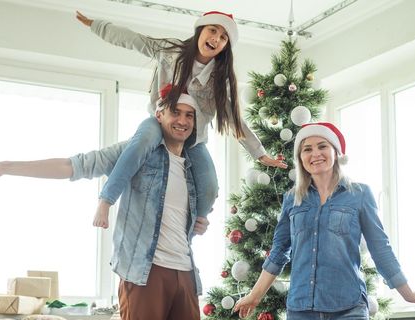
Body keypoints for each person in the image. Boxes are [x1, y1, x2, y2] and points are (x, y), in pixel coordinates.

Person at [0, 89, 208, 320]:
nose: (182, 121)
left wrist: (201, 220)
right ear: (159, 115)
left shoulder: (195, 166)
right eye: (175, 112)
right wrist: (5, 167)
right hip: (145, 272)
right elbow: (76, 165)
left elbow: (190, 212)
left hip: (186, 271)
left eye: (189, 115)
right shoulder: (136, 152)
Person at [233, 122, 415, 320]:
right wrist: (254, 295)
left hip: (347, 310)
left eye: (322, 146)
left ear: (336, 153)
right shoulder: (292, 199)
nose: (315, 153)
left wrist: (406, 293)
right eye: (307, 149)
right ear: (300, 158)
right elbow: (279, 252)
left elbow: (380, 248)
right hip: (301, 313)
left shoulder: (359, 194)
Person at [75, 10, 287, 229]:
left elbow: (234, 118)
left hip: (193, 138)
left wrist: (259, 154)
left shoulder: (218, 80)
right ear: (200, 30)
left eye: (223, 37)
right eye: (212, 30)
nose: (216, 38)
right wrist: (94, 24)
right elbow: (132, 39)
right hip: (160, 125)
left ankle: (194, 226)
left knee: (210, 188)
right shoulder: (169, 52)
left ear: (225, 46)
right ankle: (106, 199)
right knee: (138, 146)